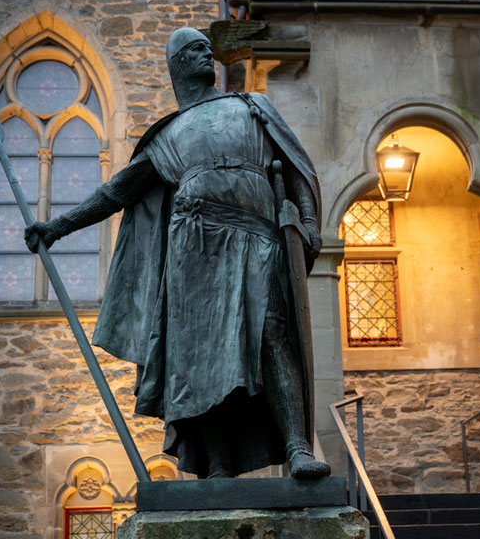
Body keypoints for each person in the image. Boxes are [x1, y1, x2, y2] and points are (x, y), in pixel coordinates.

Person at [24, 27, 330, 480]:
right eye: (196, 49)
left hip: (257, 236)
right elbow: (116, 192)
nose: (208, 54)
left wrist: (308, 220)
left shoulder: (250, 106)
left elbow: (297, 165)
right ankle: (217, 466)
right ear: (179, 65)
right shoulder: (167, 135)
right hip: (194, 249)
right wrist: (57, 227)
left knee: (272, 333)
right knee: (196, 358)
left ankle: (298, 447)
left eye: (208, 48)